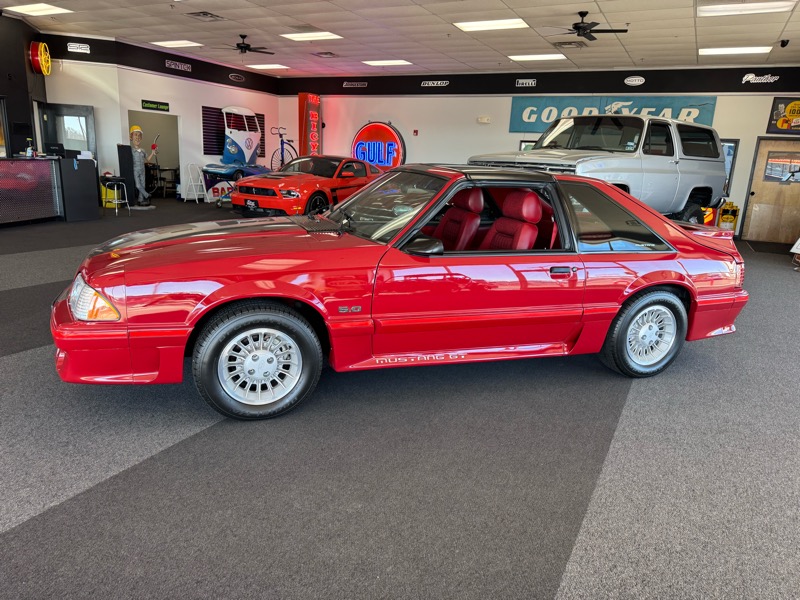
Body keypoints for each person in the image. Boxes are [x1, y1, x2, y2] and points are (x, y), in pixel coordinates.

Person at [129, 125, 157, 206]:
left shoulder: (143, 150)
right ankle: (147, 195)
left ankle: (140, 200)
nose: (137, 137)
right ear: (131, 137)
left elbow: (148, 159)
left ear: (141, 138)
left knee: (143, 185)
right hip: (135, 169)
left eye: (139, 135)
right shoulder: (130, 150)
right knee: (138, 185)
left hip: (142, 170)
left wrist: (152, 153)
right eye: (135, 135)